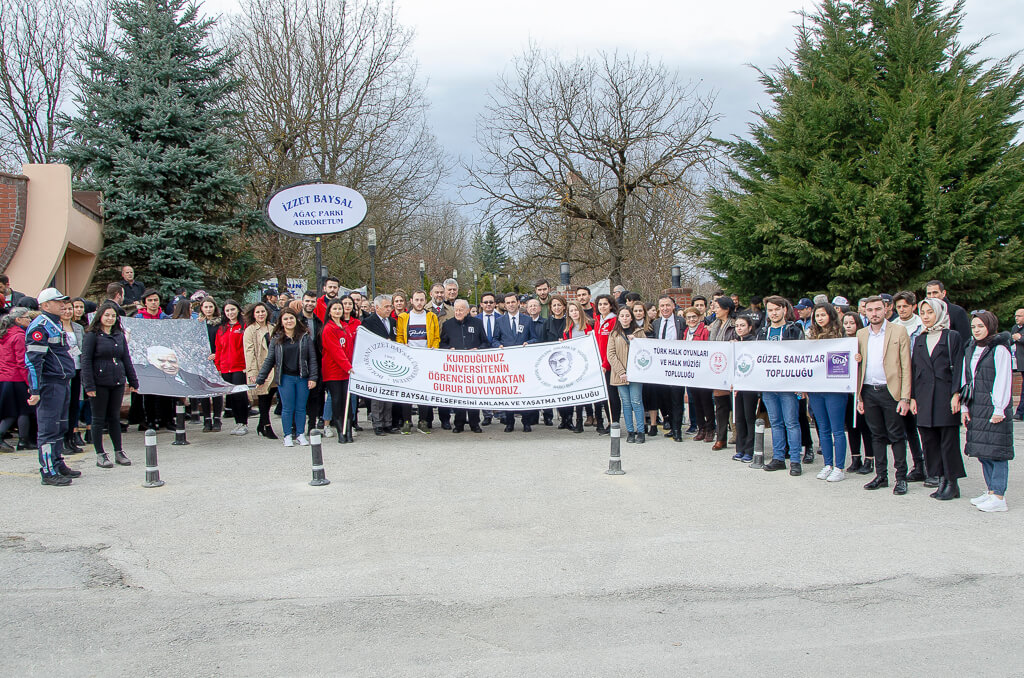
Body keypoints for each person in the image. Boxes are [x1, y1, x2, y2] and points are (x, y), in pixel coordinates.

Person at [910, 297, 965, 501]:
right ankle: (940, 478)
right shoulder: (920, 339)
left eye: (930, 312)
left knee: (948, 440)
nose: (926, 317)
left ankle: (952, 482)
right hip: (924, 396)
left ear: (940, 313)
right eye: (923, 313)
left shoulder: (952, 336)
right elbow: (915, 369)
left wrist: (956, 393)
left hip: (945, 395)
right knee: (929, 440)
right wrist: (913, 397)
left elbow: (959, 367)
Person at [856, 295, 913, 494]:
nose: (874, 313)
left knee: (897, 435)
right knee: (876, 435)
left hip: (891, 391)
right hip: (869, 390)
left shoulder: (898, 331)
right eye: (870, 310)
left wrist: (905, 397)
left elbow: (906, 366)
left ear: (886, 309)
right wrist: (859, 397)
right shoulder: (861, 334)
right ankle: (881, 475)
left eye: (878, 309)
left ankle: (901, 478)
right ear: (865, 312)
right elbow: (858, 367)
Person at [26, 288, 79, 486]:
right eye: (58, 302)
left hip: (63, 381)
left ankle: (57, 462)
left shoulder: (55, 324)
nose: (63, 305)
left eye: (64, 301)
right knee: (48, 429)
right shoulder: (40, 326)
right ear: (45, 305)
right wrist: (35, 390)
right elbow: (33, 362)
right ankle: (48, 471)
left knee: (60, 426)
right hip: (50, 383)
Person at [961, 310, 1013, 512]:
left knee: (997, 452)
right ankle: (991, 491)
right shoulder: (972, 347)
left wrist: (999, 408)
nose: (976, 330)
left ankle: (999, 496)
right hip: (977, 405)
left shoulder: (999, 349)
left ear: (990, 326)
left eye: (981, 326)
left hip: (993, 407)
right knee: (983, 451)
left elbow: (1003, 379)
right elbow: (967, 378)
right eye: (974, 327)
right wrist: (965, 406)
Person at [81, 302, 138, 468]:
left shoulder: (118, 335)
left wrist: (133, 380)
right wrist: (89, 385)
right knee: (98, 419)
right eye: (107, 315)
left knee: (114, 417)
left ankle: (119, 451)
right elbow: (86, 360)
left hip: (117, 381)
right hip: (99, 382)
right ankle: (100, 453)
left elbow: (126, 358)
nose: (110, 318)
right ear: (100, 316)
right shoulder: (92, 335)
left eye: (113, 316)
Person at [755, 295, 805, 475]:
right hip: (769, 386)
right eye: (770, 310)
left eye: (777, 309)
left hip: (788, 385)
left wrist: (800, 383)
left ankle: (795, 460)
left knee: (791, 422)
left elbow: (802, 356)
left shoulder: (794, 330)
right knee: (775, 422)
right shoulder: (762, 333)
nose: (774, 313)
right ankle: (778, 458)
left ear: (785, 310)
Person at [256, 308, 318, 447]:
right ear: (281, 322)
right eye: (285, 319)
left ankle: (301, 434)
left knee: (301, 408)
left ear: (296, 320)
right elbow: (269, 360)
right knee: (287, 408)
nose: (289, 321)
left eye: (291, 318)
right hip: (285, 378)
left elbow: (312, 358)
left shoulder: (305, 336)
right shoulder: (276, 338)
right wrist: (261, 378)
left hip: (302, 377)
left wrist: (313, 377)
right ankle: (287, 435)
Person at [805, 303, 848, 482]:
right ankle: (827, 464)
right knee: (822, 428)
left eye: (823, 315)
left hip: (835, 387)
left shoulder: (841, 334)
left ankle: (839, 467)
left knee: (837, 429)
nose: (820, 319)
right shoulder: (811, 335)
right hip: (816, 388)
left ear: (831, 315)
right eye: (817, 316)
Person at [892, 290, 928, 482]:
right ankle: (918, 464)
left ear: (914, 306)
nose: (902, 310)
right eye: (899, 307)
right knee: (909, 428)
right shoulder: (893, 326)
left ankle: (931, 465)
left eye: (905, 306)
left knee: (924, 426)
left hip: (921, 379)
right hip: (901, 381)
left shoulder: (922, 325)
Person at [439, 299, 487, 433]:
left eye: (461, 310)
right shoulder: (448, 325)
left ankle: (474, 423)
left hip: (473, 367)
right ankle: (458, 424)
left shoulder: (477, 323)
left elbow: (485, 342)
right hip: (457, 368)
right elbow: (442, 344)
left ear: (467, 311)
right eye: (456, 309)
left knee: (473, 396)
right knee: (458, 396)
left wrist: (478, 349)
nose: (458, 312)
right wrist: (449, 349)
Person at [491, 292, 537, 432]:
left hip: (523, 362)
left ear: (518, 303)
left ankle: (526, 421)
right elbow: (494, 339)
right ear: (504, 305)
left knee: (524, 392)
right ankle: (509, 421)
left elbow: (535, 338)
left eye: (513, 302)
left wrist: (528, 343)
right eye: (508, 302)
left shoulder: (527, 320)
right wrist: (498, 346)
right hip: (507, 363)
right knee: (509, 393)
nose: (510, 305)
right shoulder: (499, 321)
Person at [396, 290, 440, 433]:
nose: (419, 303)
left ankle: (423, 421)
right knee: (407, 393)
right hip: (408, 360)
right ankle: (407, 421)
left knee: (424, 392)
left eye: (422, 300)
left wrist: (433, 350)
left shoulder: (431, 316)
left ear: (425, 301)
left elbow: (436, 338)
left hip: (425, 360)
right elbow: (400, 336)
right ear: (411, 300)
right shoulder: (403, 317)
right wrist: (403, 348)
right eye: (417, 300)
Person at [606, 305, 646, 443]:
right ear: (618, 317)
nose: (625, 318)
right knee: (626, 403)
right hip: (620, 375)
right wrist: (621, 371)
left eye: (627, 315)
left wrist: (635, 340)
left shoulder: (639, 332)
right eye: (622, 316)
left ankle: (641, 431)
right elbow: (611, 355)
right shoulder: (614, 334)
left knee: (636, 401)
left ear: (631, 317)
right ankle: (630, 431)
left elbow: (645, 351)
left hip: (636, 374)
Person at [0, 307, 38, 451]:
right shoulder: (19, 336)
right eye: (27, 317)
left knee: (13, 411)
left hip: (4, 377)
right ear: (18, 320)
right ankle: (23, 440)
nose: (29, 320)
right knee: (22, 410)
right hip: (16, 378)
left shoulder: (4, 334)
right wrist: (30, 382)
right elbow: (22, 362)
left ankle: (23, 440)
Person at [842, 312, 875, 475]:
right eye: (845, 323)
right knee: (851, 425)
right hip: (846, 389)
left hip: (861, 389)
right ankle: (856, 457)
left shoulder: (863, 341)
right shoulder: (840, 341)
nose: (848, 326)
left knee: (864, 425)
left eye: (851, 323)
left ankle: (870, 458)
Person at [362, 295, 400, 435]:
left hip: (390, 361)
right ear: (377, 307)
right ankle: (377, 424)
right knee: (378, 395)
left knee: (388, 394)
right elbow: (366, 341)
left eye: (390, 306)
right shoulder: (368, 322)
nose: (389, 309)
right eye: (386, 307)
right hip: (376, 362)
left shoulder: (392, 321)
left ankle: (388, 423)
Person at [321, 298, 357, 441]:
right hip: (334, 371)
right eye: (335, 309)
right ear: (329, 312)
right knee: (336, 400)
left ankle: (348, 430)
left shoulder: (344, 326)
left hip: (346, 371)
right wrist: (348, 366)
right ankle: (340, 432)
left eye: (339, 309)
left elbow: (350, 348)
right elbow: (336, 351)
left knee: (347, 401)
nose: (338, 311)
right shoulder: (328, 329)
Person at [214, 299, 249, 435]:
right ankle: (237, 422)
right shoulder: (222, 328)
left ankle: (243, 422)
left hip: (239, 367)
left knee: (240, 394)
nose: (230, 313)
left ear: (238, 310)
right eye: (227, 310)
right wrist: (218, 366)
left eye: (232, 309)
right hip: (225, 367)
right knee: (232, 397)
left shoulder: (244, 326)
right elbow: (219, 348)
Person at [244, 302, 277, 439]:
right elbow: (249, 352)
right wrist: (252, 372)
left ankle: (261, 424)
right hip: (260, 368)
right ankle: (266, 425)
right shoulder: (250, 330)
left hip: (274, 369)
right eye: (257, 312)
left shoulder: (273, 328)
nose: (260, 314)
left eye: (262, 311)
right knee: (263, 398)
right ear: (253, 314)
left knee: (269, 397)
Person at [708, 297, 738, 450]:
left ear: (727, 309)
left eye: (718, 307)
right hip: (718, 369)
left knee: (735, 405)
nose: (715, 309)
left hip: (733, 370)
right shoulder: (715, 325)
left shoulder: (735, 325)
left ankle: (738, 435)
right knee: (720, 406)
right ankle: (721, 438)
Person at [58, 299, 86, 454]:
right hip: (63, 371)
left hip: (77, 369)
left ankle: (70, 438)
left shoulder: (78, 327)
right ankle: (62, 440)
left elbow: (82, 348)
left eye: (70, 309)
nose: (68, 312)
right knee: (64, 405)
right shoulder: (56, 327)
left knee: (75, 404)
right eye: (65, 309)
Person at [561, 301, 594, 433]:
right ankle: (579, 421)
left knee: (592, 393)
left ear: (580, 311)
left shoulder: (590, 325)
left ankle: (598, 420)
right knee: (578, 394)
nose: (574, 313)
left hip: (589, 363)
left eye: (576, 310)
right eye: (571, 311)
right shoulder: (567, 330)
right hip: (575, 366)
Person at [731, 314, 759, 462]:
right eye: (737, 326)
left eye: (742, 325)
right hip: (738, 386)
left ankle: (750, 449)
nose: (739, 328)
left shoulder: (754, 343)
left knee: (749, 417)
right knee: (739, 417)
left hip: (750, 386)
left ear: (749, 327)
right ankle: (740, 449)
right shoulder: (735, 343)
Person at [196, 297, 223, 431]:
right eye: (205, 307)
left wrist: (217, 354)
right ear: (201, 308)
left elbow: (223, 341)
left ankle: (217, 418)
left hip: (216, 359)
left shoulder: (219, 323)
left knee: (217, 390)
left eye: (210, 307)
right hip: (203, 360)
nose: (208, 309)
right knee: (205, 390)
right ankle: (207, 419)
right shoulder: (198, 323)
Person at [1011, 308, 1024, 420]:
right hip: (1021, 363)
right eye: (1016, 316)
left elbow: (1019, 339)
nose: (1017, 318)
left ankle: (1020, 412)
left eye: (1019, 316)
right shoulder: (1015, 328)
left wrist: (1020, 338)